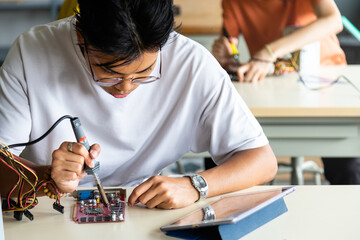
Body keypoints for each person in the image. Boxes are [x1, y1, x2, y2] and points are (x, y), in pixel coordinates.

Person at [0, 0, 277, 209]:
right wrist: (47, 176)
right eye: (108, 72)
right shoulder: (31, 53)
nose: (126, 86)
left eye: (144, 74)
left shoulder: (191, 63)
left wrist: (195, 185)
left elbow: (262, 161)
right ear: (81, 37)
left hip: (142, 209)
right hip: (49, 210)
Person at [211, 0, 360, 184]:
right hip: (270, 86)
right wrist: (226, 58)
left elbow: (333, 20)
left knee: (347, 167)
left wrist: (268, 52)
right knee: (222, 144)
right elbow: (229, 49)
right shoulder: (233, 3)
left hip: (326, 78)